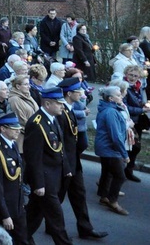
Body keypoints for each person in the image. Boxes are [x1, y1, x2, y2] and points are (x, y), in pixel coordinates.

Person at [56, 77, 108, 239]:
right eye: (78, 91)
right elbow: (60, 142)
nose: (82, 93)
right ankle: (44, 229)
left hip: (74, 162)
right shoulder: (61, 112)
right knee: (54, 199)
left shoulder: (69, 109)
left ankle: (85, 228)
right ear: (69, 93)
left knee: (79, 194)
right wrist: (65, 165)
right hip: (64, 164)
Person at [22, 87, 71, 244]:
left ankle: (19, 238)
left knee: (34, 214)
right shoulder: (37, 124)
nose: (62, 106)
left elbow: (60, 146)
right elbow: (33, 157)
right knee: (56, 216)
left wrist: (67, 169)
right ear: (48, 103)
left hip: (54, 175)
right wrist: (38, 183)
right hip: (44, 178)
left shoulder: (53, 118)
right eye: (59, 103)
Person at [0, 112, 28, 245]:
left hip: (17, 205)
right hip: (6, 208)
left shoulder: (12, 144)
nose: (18, 130)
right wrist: (5, 215)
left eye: (18, 127)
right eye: (14, 128)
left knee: (22, 239)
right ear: (3, 129)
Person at [94, 85, 130, 215]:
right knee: (120, 176)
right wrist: (124, 154)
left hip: (104, 147)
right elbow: (115, 136)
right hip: (109, 148)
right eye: (118, 95)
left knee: (107, 172)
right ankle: (112, 201)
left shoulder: (108, 108)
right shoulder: (111, 112)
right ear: (110, 98)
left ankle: (104, 196)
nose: (121, 97)